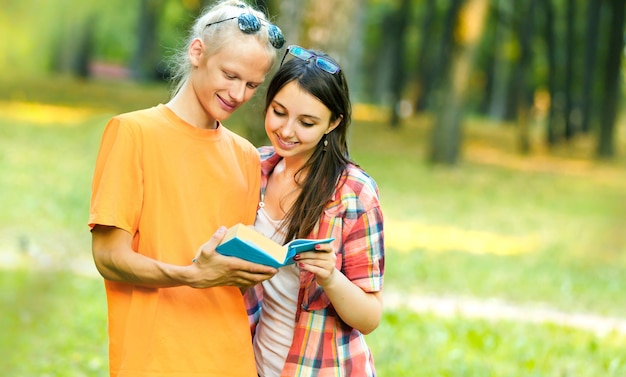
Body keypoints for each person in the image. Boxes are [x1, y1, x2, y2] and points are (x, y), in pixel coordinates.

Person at [88, 1, 285, 376]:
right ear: (198, 52)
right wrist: (190, 276)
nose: (239, 94)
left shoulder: (245, 156)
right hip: (154, 360)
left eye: (252, 85)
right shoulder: (132, 133)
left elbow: (233, 269)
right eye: (230, 75)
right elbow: (108, 257)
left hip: (229, 360)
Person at [245, 45, 385, 377]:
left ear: (333, 123)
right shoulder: (253, 168)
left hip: (322, 368)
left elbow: (370, 316)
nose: (287, 130)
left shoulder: (353, 193)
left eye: (306, 122)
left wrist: (330, 277)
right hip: (253, 363)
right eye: (279, 112)